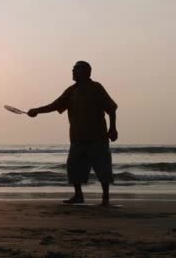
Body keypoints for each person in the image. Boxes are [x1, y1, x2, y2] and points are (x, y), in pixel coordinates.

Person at [27, 61, 118, 206]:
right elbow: (55, 105)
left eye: (75, 70)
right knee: (73, 167)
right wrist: (37, 110)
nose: (73, 72)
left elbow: (111, 108)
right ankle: (78, 195)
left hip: (98, 137)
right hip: (77, 138)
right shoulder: (71, 90)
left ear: (86, 72)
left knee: (103, 168)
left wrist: (112, 128)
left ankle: (105, 198)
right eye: (73, 70)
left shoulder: (97, 88)